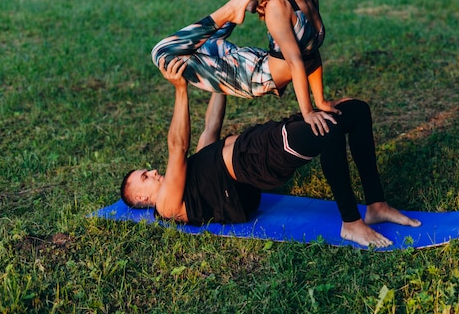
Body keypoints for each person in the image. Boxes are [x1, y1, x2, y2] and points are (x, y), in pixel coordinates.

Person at [120, 58, 421, 248]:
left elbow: (210, 128)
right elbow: (177, 146)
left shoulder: (190, 178)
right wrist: (180, 89)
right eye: (145, 177)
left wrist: (218, 79)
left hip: (256, 145)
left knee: (356, 110)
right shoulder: (167, 206)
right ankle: (351, 223)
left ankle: (377, 204)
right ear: (144, 199)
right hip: (255, 160)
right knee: (326, 129)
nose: (153, 172)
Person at [151, 0, 337, 136]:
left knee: (205, 43)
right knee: (163, 53)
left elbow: (311, 53)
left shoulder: (311, 0)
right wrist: (308, 112)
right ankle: (233, 10)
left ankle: (239, 6)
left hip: (253, 62)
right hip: (247, 77)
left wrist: (320, 100)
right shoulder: (277, 7)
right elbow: (295, 62)